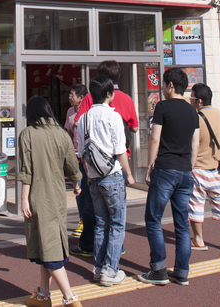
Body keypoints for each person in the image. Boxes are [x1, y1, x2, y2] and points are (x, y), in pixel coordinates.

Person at [18, 96, 84, 307]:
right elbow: (72, 164)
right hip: (57, 197)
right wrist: (76, 183)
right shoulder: (62, 133)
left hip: (39, 197)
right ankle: (43, 295)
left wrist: (24, 199)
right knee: (47, 245)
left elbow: (26, 171)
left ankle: (70, 298)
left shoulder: (27, 134)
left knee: (49, 249)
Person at [136, 68, 199, 287]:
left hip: (165, 169)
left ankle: (158, 269)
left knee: (154, 219)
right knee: (182, 223)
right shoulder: (192, 111)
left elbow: (155, 138)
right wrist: (189, 167)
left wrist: (149, 166)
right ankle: (182, 272)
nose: (162, 88)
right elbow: (195, 143)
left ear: (170, 85)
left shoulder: (162, 107)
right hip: (185, 171)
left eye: (163, 84)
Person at [73, 76, 135, 286]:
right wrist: (129, 174)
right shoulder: (113, 116)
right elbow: (120, 150)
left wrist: (88, 173)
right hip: (112, 175)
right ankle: (110, 270)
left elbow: (81, 152)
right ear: (109, 94)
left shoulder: (83, 119)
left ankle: (99, 268)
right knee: (116, 223)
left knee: (100, 223)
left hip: (93, 177)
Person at [188, 83, 220, 252]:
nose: (190, 99)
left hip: (198, 168)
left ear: (200, 101)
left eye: (192, 97)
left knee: (196, 206)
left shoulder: (195, 118)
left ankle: (199, 240)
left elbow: (193, 144)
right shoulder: (219, 114)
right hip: (217, 168)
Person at [64, 83, 88, 238]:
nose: (70, 97)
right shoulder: (70, 112)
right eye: (70, 94)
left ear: (81, 97)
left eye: (72, 95)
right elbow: (68, 133)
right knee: (78, 190)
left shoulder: (89, 111)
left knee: (89, 190)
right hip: (75, 156)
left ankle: (89, 221)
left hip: (87, 157)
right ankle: (82, 219)